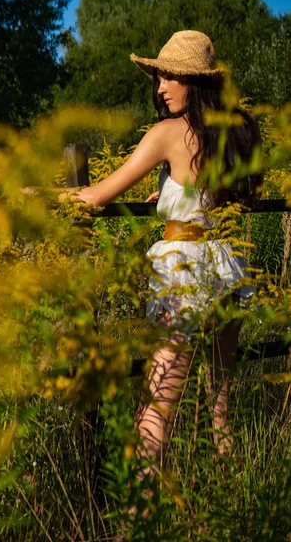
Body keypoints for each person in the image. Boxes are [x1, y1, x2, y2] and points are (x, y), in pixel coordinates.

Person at [75, 30, 262, 469]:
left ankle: (131, 528)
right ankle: (231, 508)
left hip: (186, 272)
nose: (159, 88)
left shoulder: (166, 133)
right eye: (158, 78)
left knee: (155, 412)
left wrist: (38, 194)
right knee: (219, 411)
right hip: (229, 269)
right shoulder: (237, 133)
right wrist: (167, 197)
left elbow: (97, 196)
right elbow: (220, 199)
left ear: (191, 82)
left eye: (168, 78)